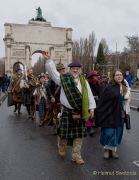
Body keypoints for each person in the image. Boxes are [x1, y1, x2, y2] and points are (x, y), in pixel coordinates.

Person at [43, 52, 96, 165]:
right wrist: (48, 61)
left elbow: (89, 95)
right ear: (70, 69)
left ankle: (76, 156)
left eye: (77, 68)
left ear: (80, 70)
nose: (75, 70)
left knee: (79, 136)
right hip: (67, 111)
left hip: (80, 112)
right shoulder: (64, 79)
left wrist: (91, 109)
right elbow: (53, 74)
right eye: (73, 68)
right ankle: (62, 148)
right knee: (63, 133)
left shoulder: (84, 81)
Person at [96, 70, 131, 159]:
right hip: (109, 113)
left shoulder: (124, 87)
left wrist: (127, 103)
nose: (119, 76)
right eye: (117, 75)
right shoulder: (109, 87)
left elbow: (127, 101)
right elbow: (105, 100)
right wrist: (122, 98)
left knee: (118, 132)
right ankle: (107, 150)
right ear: (114, 77)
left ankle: (113, 150)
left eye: (120, 75)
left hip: (120, 113)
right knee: (109, 132)